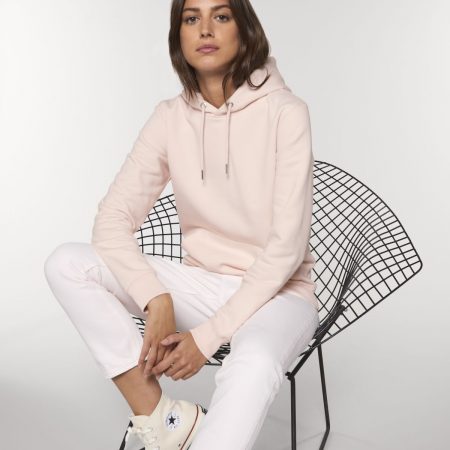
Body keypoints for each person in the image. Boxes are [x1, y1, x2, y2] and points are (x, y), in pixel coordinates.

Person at [44, 0, 320, 448]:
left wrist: (206, 338)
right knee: (68, 263)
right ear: (179, 36)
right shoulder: (169, 118)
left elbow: (286, 250)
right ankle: (164, 420)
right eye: (192, 18)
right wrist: (155, 298)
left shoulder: (286, 112)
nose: (205, 29)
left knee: (253, 361)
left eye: (221, 16)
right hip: (202, 284)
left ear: (245, 30)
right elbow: (112, 220)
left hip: (279, 294)